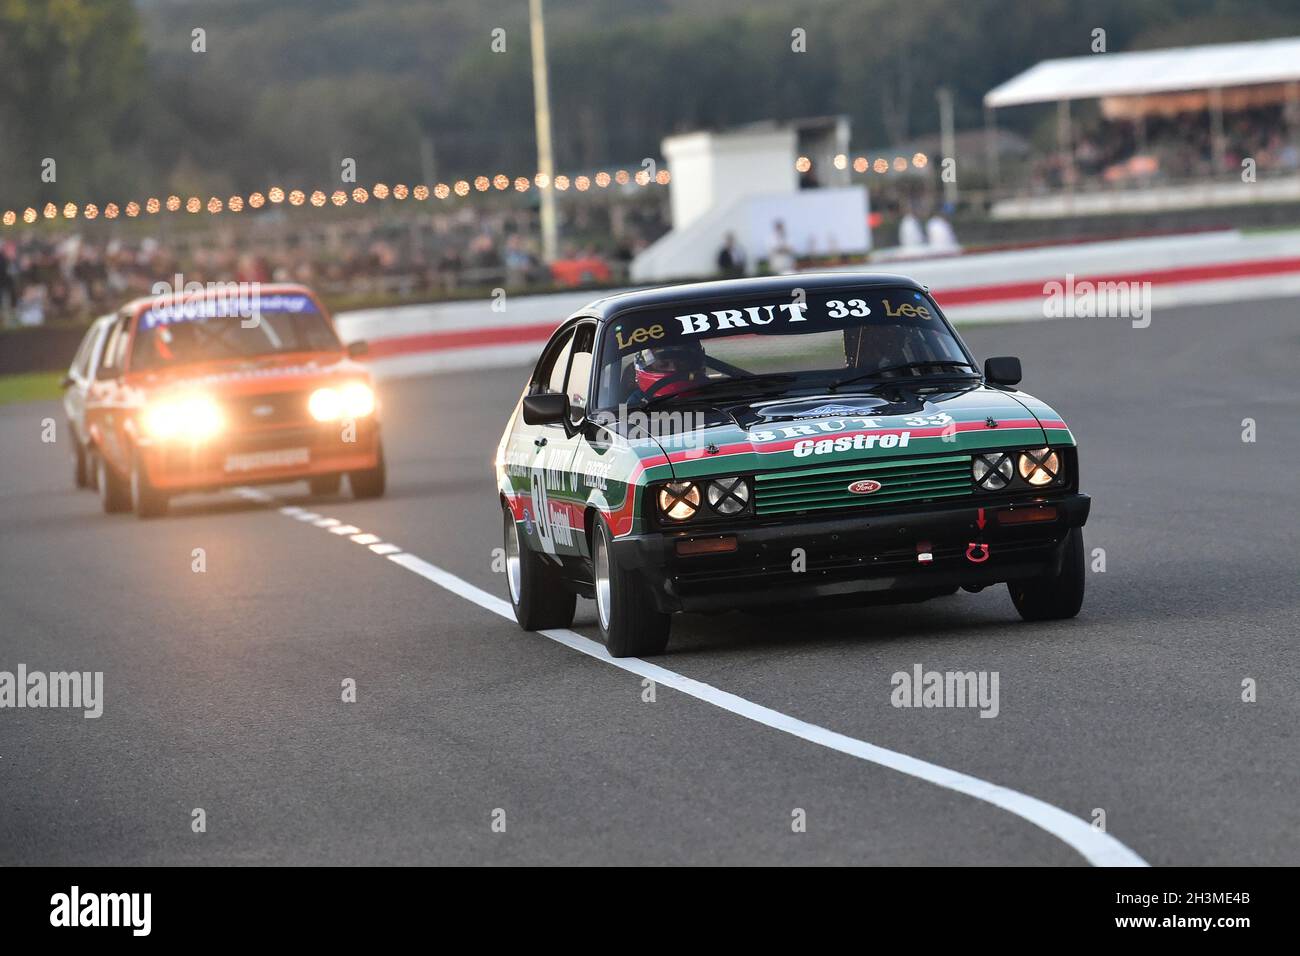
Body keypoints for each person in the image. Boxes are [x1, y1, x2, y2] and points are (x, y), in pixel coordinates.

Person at [631, 341, 708, 402]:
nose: (673, 369)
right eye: (663, 365)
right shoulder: (636, 403)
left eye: (681, 363)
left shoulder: (713, 390)